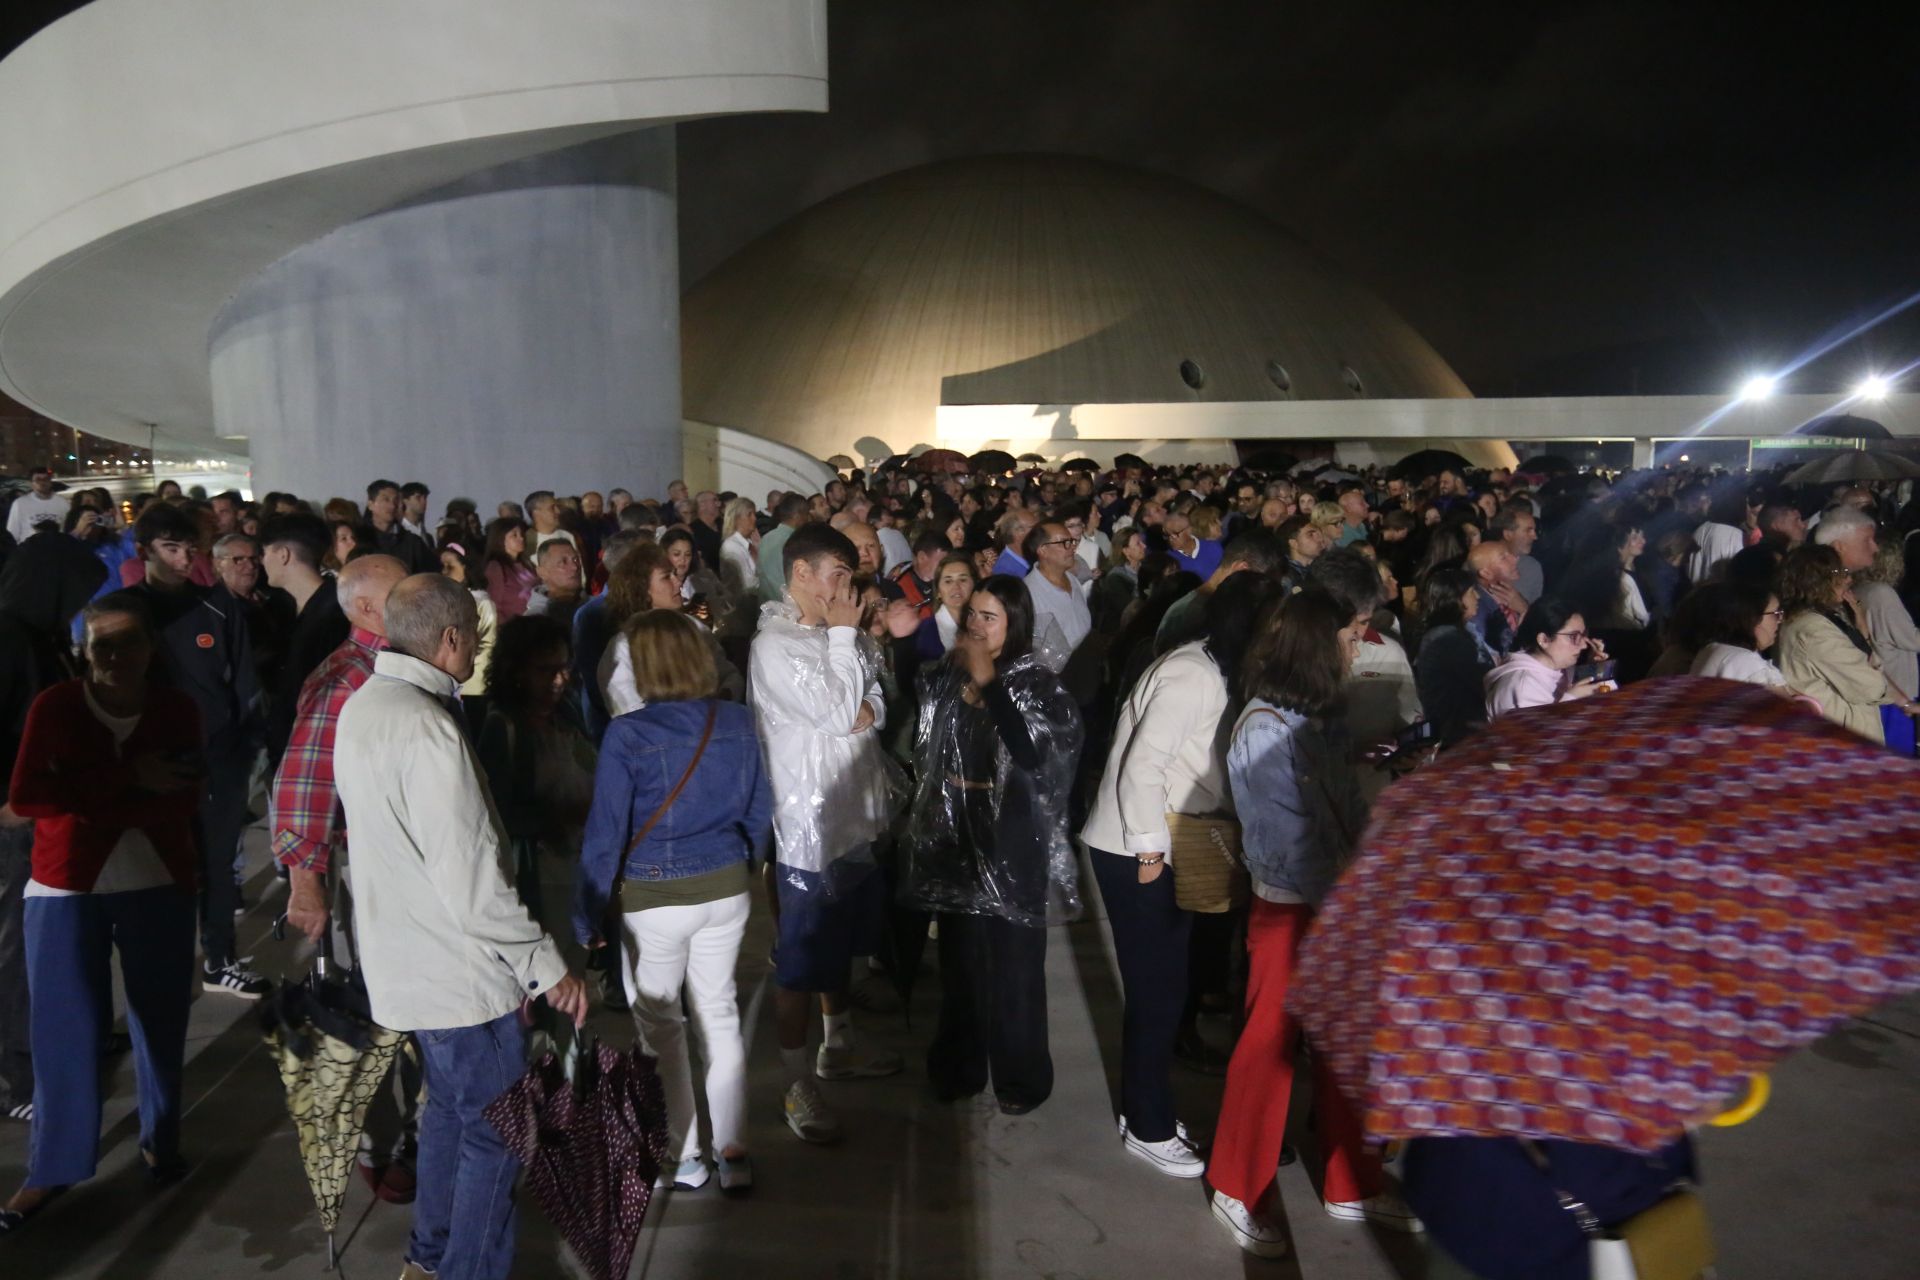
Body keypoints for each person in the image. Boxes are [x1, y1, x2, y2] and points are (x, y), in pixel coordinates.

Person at [334, 574, 588, 1280]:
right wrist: (548, 965)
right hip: (457, 976)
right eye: (475, 636)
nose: (478, 649)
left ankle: (428, 1257)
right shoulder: (426, 726)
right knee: (500, 1135)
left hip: (406, 963)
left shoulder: (365, 706)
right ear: (450, 640)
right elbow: (476, 881)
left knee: (448, 1114)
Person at [1207, 588, 1416, 1257]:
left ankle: (1352, 1180)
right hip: (1291, 910)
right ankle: (1237, 1185)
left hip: (1333, 901)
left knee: (1348, 1048)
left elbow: (1343, 807)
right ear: (1314, 645)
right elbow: (1290, 845)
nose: (1360, 643)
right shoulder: (1264, 727)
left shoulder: (1314, 715)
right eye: (1351, 633)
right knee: (1268, 1053)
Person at [0, 594, 201, 1234]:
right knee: (63, 1032)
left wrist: (87, 791)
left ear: (150, 648)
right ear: (84, 651)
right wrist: (131, 775)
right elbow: (29, 796)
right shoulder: (56, 706)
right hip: (64, 887)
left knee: (160, 1020)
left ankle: (160, 1140)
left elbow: (184, 795)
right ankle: (52, 1168)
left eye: (127, 642)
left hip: (160, 880)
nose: (114, 656)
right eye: (101, 644)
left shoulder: (175, 708)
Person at [1082, 571, 1280, 1180]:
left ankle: (1148, 1112)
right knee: (1158, 989)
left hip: (1169, 839)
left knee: (1166, 985)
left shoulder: (1218, 667)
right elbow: (1141, 767)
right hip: (1137, 846)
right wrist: (1148, 854)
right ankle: (1147, 1126)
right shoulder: (1191, 674)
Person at [578, 611, 771, 1194]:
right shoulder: (737, 720)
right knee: (719, 1014)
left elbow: (606, 832)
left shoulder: (628, 734)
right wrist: (745, 866)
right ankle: (733, 1151)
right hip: (727, 889)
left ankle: (683, 1156)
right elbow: (760, 809)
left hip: (654, 898)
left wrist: (586, 915)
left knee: (660, 1027)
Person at [747, 524, 903, 1145]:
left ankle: (837, 1046)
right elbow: (844, 711)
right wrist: (847, 653)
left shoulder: (836, 638)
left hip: (854, 819)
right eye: (838, 574)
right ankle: (792, 1079)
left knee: (844, 952)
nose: (849, 587)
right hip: (808, 830)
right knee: (800, 961)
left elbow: (876, 704)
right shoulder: (776, 646)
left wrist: (858, 697)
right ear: (802, 574)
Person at [904, 575, 1081, 1114]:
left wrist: (992, 684)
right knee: (961, 961)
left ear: (1015, 625)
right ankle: (959, 1067)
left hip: (1011, 837)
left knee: (1015, 966)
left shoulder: (1036, 685)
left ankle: (1021, 1077)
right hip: (958, 830)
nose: (977, 627)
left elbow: (1034, 757)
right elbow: (920, 740)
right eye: (972, 615)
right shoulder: (948, 676)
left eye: (990, 618)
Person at [126, 503, 265, 998]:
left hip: (218, 757)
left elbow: (245, 682)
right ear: (144, 550)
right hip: (151, 763)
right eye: (171, 548)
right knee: (158, 869)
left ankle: (220, 958)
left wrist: (243, 747)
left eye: (190, 549)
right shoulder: (126, 609)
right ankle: (162, 965)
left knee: (219, 860)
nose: (183, 559)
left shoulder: (217, 605)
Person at [0, 533, 108, 1127]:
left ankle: (53, 1050)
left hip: (45, 816)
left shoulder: (36, 634)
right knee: (19, 950)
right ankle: (21, 1073)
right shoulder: (10, 636)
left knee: (49, 941)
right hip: (18, 822)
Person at [480, 616, 598, 969]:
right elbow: (497, 812)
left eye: (564, 668)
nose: (559, 680)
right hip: (538, 876)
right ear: (517, 671)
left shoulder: (569, 715)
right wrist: (559, 817)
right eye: (546, 670)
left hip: (580, 866)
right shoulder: (503, 728)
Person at [1774, 545, 1916, 743]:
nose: (1848, 579)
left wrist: (1861, 632)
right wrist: (1873, 668)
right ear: (1818, 580)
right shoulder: (1814, 631)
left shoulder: (1811, 620)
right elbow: (1870, 686)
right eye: (1840, 572)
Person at [259, 514, 349, 769]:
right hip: (290, 749)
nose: (261, 561)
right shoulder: (282, 610)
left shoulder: (335, 615)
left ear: (283, 554)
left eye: (265, 552)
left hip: (317, 755)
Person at [1484, 599, 1609, 719]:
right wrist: (1571, 700)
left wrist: (1592, 668)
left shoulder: (1559, 666)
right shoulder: (1524, 686)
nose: (1584, 645)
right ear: (1544, 640)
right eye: (1574, 637)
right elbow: (1536, 738)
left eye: (1583, 635)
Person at [1854, 539, 1920, 744]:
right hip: (1896, 689)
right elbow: (1912, 639)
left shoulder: (1860, 590)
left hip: (1880, 686)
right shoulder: (1882, 594)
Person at [438, 540, 499, 726]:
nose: (444, 572)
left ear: (466, 568)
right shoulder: (458, 599)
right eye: (442, 567)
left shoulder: (480, 602)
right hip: (457, 682)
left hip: (475, 684)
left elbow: (473, 642)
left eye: (450, 566)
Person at [1689, 583, 1790, 688]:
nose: (1780, 620)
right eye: (1776, 614)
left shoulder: (1711, 649)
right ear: (1751, 618)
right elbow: (1786, 704)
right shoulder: (1744, 661)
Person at [1022, 521, 1092, 666]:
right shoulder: (1028, 592)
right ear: (1043, 550)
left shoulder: (1073, 581)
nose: (1073, 547)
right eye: (1064, 542)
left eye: (1072, 541)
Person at [364, 479, 436, 574]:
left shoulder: (412, 542)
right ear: (370, 504)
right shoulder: (359, 539)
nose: (392, 505)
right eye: (386, 499)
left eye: (396, 500)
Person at [755, 493, 810, 606]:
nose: (808, 519)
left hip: (766, 609)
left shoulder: (766, 538)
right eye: (806, 514)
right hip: (789, 610)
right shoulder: (794, 542)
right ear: (798, 515)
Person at [521, 536, 586, 628]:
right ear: (542, 572)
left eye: (576, 560)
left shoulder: (597, 605)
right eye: (563, 562)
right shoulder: (534, 621)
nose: (575, 567)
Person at [1093, 527, 1148, 634]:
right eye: (1138, 544)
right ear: (1126, 551)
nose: (1144, 546)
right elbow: (1130, 612)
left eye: (1142, 542)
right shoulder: (1115, 579)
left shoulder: (1146, 569)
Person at [482, 517, 538, 621]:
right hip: (512, 625)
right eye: (514, 535)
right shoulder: (496, 567)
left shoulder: (527, 564)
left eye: (521, 534)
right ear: (500, 539)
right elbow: (494, 603)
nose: (521, 538)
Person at [1492, 506, 1543, 602]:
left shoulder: (1531, 566)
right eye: (1528, 530)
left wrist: (1522, 607)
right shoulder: (1481, 560)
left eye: (1534, 531)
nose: (1535, 537)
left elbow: (1535, 611)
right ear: (1508, 534)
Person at [4, 468, 66, 544]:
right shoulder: (20, 503)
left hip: (56, 551)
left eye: (46, 479)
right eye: (38, 479)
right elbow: (12, 533)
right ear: (31, 483)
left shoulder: (63, 503)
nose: (42, 482)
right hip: (29, 552)